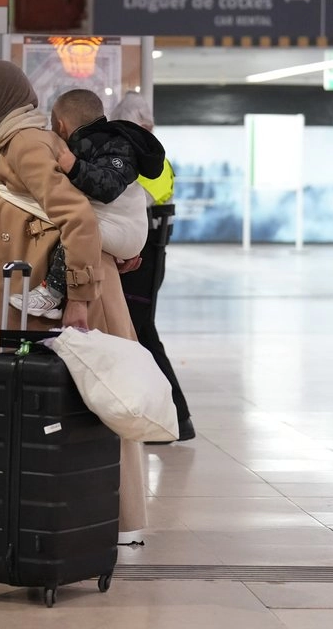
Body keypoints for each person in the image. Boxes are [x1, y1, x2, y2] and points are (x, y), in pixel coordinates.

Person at [0, 59, 147, 537]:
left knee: (89, 403)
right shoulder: (15, 142)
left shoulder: (24, 144)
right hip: (42, 294)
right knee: (73, 404)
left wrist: (79, 298)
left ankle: (110, 522)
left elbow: (79, 218)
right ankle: (74, 516)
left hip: (61, 301)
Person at [11, 88, 163, 320]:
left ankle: (51, 293)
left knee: (77, 229)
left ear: (60, 125)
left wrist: (74, 166)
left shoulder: (114, 145)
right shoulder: (99, 143)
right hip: (126, 230)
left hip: (126, 229)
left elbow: (109, 187)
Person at [112, 93, 195, 443]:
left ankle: (175, 417)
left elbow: (128, 203)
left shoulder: (146, 160)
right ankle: (170, 417)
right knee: (140, 333)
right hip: (148, 257)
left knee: (142, 333)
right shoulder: (154, 158)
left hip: (142, 260)